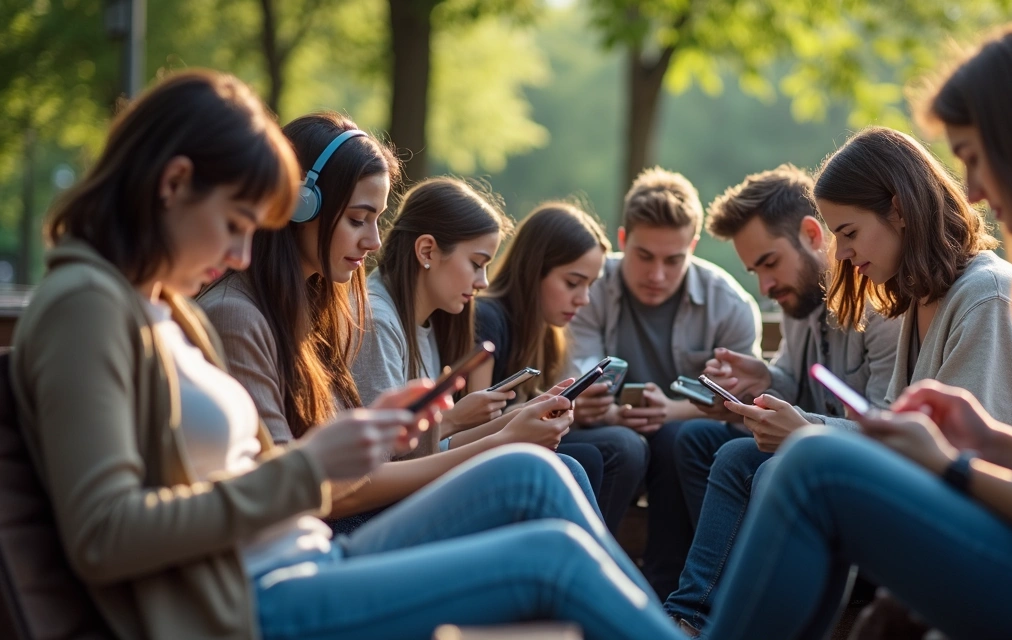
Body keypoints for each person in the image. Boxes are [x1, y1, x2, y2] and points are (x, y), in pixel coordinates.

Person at [12, 70, 688, 640]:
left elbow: (251, 472)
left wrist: (361, 441)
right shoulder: (87, 306)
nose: (243, 254)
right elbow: (104, 535)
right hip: (250, 603)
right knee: (554, 558)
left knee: (527, 474)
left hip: (306, 556)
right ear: (174, 184)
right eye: (235, 225)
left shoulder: (161, 306)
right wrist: (311, 468)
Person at [702, 22, 1012, 640]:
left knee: (816, 465)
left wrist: (954, 466)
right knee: (798, 464)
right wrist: (993, 439)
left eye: (974, 157)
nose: (970, 188)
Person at [201, 115, 598, 534]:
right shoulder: (238, 316)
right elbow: (320, 492)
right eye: (358, 218)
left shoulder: (317, 308)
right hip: (325, 541)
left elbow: (362, 463)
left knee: (560, 469)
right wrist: (502, 441)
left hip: (347, 521)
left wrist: (504, 427)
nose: (374, 240)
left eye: (377, 219)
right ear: (300, 204)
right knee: (542, 473)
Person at [661, 165, 900, 635]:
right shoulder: (801, 301)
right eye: (755, 271)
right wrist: (762, 378)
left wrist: (805, 428)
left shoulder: (881, 308)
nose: (764, 286)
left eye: (769, 263)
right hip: (820, 452)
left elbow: (884, 429)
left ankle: (713, 610)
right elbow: (796, 381)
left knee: (745, 460)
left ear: (812, 235)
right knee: (695, 439)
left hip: (857, 473)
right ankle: (699, 606)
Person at [568, 167, 761, 597]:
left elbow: (741, 404)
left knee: (678, 438)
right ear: (622, 241)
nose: (657, 274)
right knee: (631, 444)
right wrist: (595, 406)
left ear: (693, 246)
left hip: (685, 443)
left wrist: (673, 411)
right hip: (612, 435)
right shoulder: (591, 288)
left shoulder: (729, 303)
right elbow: (576, 372)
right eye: (644, 256)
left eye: (673, 259)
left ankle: (664, 591)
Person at [470, 201, 644, 531]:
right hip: (482, 455)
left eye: (590, 285)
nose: (584, 299)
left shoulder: (549, 333)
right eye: (573, 282)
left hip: (514, 446)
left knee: (625, 445)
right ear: (534, 269)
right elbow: (479, 420)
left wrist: (579, 411)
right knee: (605, 453)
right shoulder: (488, 319)